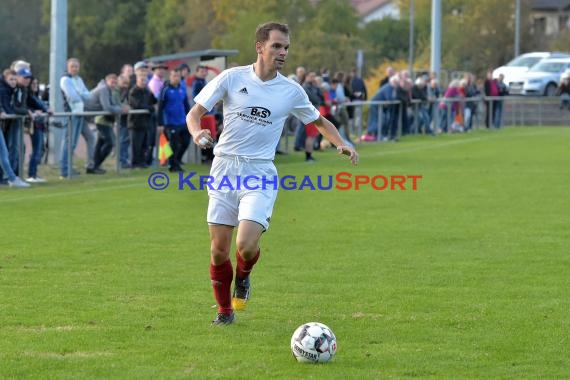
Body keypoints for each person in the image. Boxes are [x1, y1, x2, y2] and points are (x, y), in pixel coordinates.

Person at [185, 22, 358, 326]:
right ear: (260, 47)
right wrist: (198, 133)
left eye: (286, 47)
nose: (283, 52)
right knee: (218, 250)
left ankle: (245, 277)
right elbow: (194, 113)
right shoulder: (231, 78)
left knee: (246, 244)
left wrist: (341, 143)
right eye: (277, 46)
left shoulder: (290, 90)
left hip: (260, 172)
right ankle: (225, 312)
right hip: (224, 168)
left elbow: (318, 121)